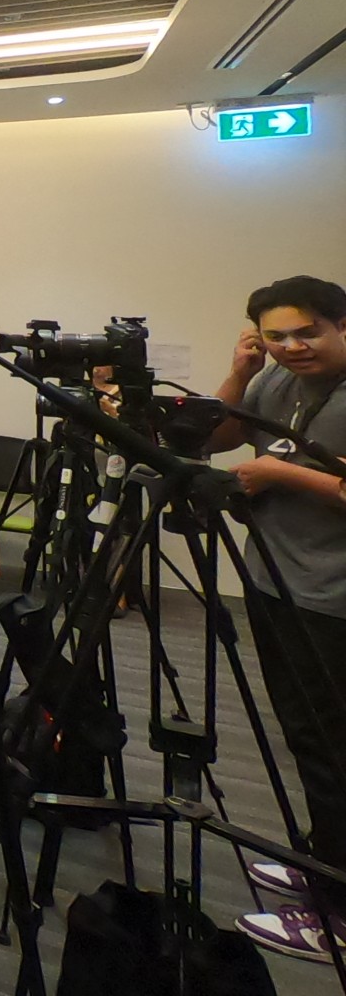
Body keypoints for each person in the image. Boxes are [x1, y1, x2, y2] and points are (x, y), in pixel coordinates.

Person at [204, 277, 346, 962]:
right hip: (273, 582)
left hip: (330, 598)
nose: (292, 346)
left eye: (308, 331)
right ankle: (325, 863)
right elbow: (216, 436)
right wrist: (239, 372)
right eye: (276, 336)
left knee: (332, 748)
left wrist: (280, 475)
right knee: (307, 736)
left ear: (342, 326)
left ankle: (338, 918)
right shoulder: (276, 380)